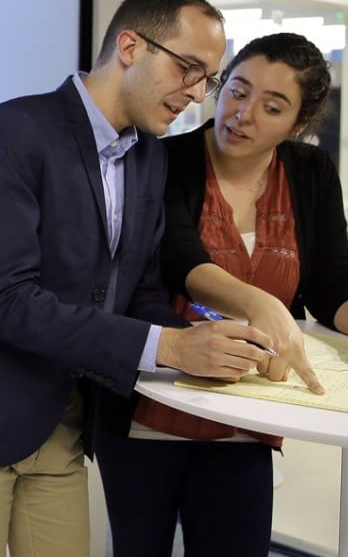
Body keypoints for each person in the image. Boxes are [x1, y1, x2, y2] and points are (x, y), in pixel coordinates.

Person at [0, 0, 280, 557]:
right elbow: (9, 300)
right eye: (188, 69)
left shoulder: (149, 156)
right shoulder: (17, 129)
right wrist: (171, 348)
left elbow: (139, 291)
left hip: (63, 420)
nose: (197, 94)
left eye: (209, 78)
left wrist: (200, 343)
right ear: (130, 46)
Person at [95, 31, 344, 557]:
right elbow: (179, 256)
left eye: (271, 107)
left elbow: (330, 282)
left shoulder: (311, 172)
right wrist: (260, 303)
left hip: (248, 414)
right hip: (152, 408)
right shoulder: (165, 158)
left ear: (298, 123)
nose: (242, 114)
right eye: (237, 90)